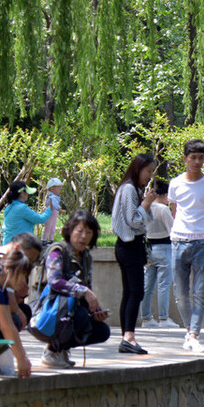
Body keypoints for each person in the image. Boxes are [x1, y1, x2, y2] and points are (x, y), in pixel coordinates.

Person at [168, 139, 204, 353]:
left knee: (200, 292)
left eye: (201, 157)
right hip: (178, 241)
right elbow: (174, 209)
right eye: (193, 157)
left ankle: (194, 335)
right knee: (180, 293)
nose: (197, 161)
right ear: (185, 159)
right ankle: (188, 329)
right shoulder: (175, 183)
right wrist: (179, 229)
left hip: (202, 242)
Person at [39, 210, 112, 367]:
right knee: (80, 315)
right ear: (70, 231)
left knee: (102, 330)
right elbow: (54, 281)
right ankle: (51, 351)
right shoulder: (58, 251)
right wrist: (83, 291)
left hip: (74, 309)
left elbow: (88, 286)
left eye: (88, 232)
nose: (84, 236)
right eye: (80, 231)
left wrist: (96, 310)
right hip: (52, 309)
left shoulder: (86, 257)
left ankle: (62, 348)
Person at [112, 153, 155, 355]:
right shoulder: (129, 188)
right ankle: (128, 337)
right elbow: (134, 220)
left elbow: (145, 219)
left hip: (131, 246)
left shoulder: (133, 188)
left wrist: (146, 203)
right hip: (129, 246)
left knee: (130, 292)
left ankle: (127, 338)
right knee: (135, 291)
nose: (149, 176)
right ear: (138, 169)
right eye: (148, 171)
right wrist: (145, 204)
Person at [0, 249, 34, 377]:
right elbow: (5, 326)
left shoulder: (1, 288)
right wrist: (20, 359)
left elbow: (10, 324)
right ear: (8, 270)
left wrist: (23, 357)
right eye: (22, 275)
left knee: (14, 319)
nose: (23, 282)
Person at [141, 180, 178, 328]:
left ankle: (146, 318)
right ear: (166, 195)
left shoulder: (146, 207)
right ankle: (163, 318)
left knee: (147, 286)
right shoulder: (163, 209)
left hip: (149, 248)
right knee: (164, 284)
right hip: (164, 247)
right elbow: (173, 229)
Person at [0, 180, 52, 245]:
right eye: (26, 192)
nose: (28, 194)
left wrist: (43, 213)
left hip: (8, 244)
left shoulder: (10, 206)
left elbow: (30, 220)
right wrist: (50, 208)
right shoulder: (21, 208)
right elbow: (41, 219)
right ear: (22, 192)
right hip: (18, 247)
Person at [43, 177, 64, 243]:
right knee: (48, 227)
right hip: (50, 214)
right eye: (59, 188)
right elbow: (55, 205)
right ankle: (44, 240)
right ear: (52, 188)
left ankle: (51, 240)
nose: (60, 190)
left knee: (52, 227)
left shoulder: (55, 196)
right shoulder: (53, 197)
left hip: (54, 215)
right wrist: (61, 210)